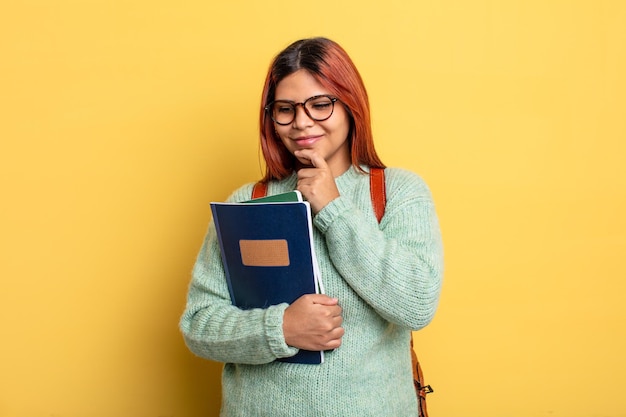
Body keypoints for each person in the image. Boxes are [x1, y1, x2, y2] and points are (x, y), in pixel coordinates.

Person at [180, 37, 443, 417]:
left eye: (320, 104)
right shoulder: (247, 201)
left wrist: (333, 208)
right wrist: (281, 328)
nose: (302, 122)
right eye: (285, 109)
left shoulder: (397, 193)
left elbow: (416, 305)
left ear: (351, 104)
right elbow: (199, 324)